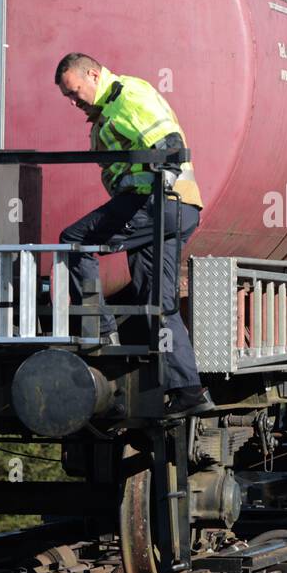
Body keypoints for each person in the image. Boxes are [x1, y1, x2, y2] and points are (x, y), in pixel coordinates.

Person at [54, 52, 212, 417]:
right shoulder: (107, 112)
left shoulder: (127, 96)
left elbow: (167, 139)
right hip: (178, 207)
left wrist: (166, 174)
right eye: (68, 98)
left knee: (74, 241)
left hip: (156, 203)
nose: (74, 102)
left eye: (75, 92)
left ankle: (101, 331)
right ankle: (189, 391)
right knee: (159, 302)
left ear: (93, 75)